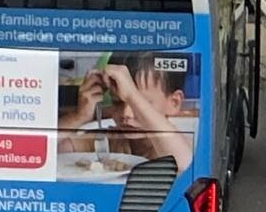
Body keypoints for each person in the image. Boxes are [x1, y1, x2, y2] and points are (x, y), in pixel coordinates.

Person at [57, 51, 193, 173]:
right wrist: (78, 117)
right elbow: (40, 152)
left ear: (174, 103)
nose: (126, 114)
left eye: (140, 103)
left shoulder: (179, 144)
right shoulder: (106, 141)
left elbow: (183, 165)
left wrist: (132, 95)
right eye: (117, 102)